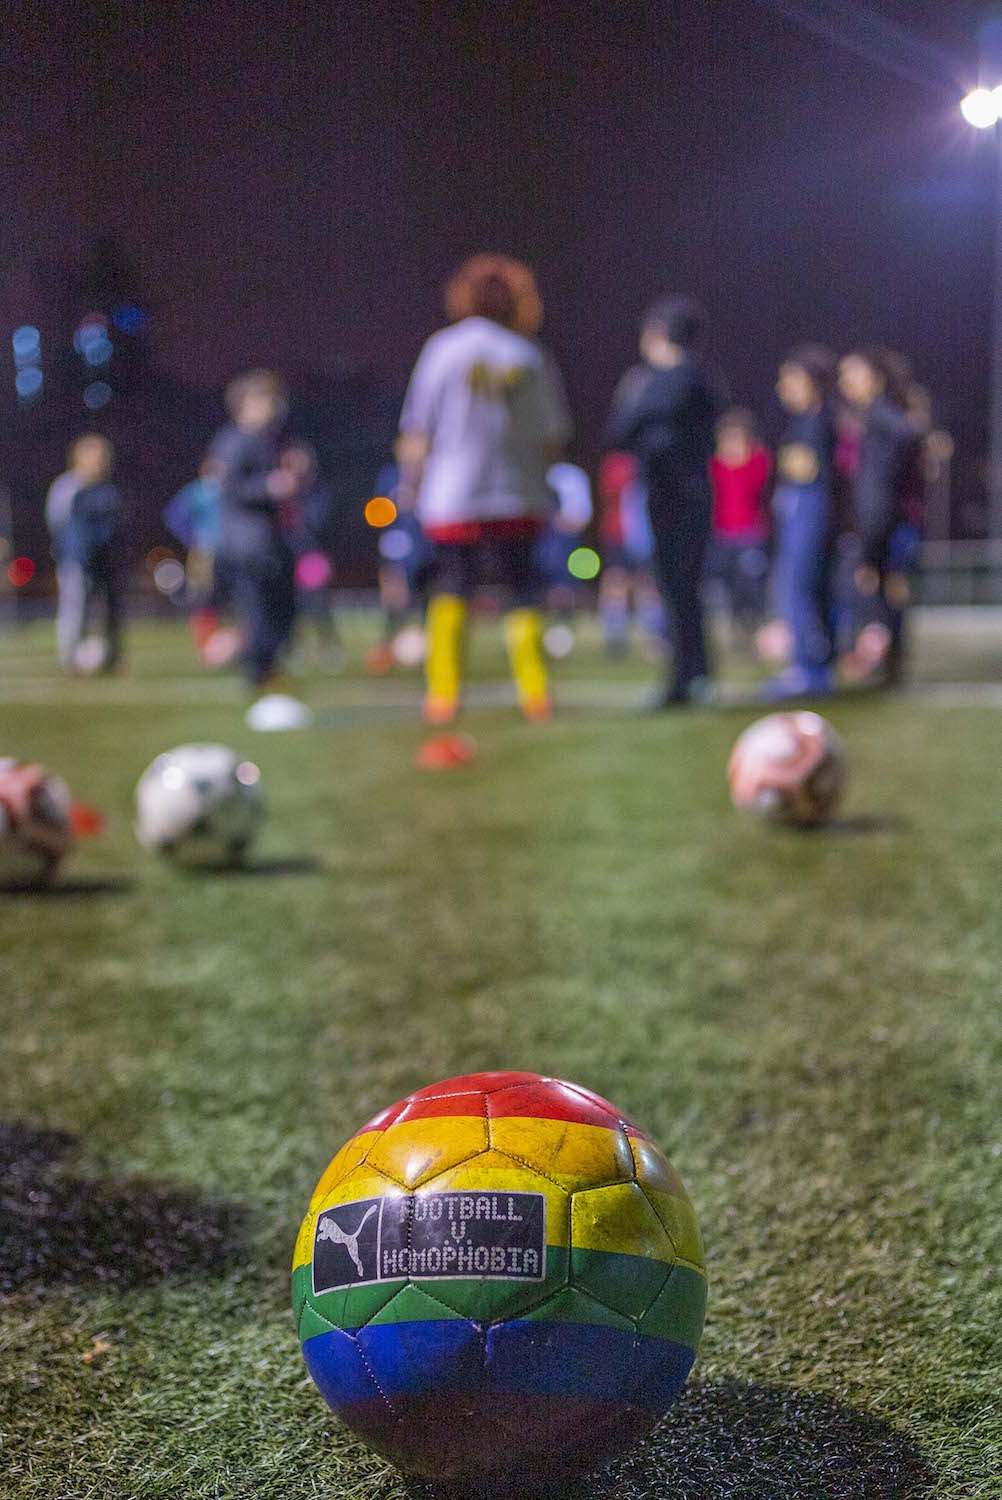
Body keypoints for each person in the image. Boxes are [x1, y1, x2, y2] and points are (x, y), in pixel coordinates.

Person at [397, 253, 571, 723]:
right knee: (523, 591)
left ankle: (443, 696)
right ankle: (535, 695)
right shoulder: (530, 355)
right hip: (519, 494)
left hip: (452, 497)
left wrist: (409, 487)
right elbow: (553, 437)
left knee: (452, 590)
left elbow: (418, 431)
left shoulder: (443, 349)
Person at [606, 297, 725, 707]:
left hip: (675, 494)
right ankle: (691, 674)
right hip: (680, 491)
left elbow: (623, 426)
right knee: (679, 588)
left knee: (678, 587)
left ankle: (686, 678)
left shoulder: (665, 379)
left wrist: (635, 398)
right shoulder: (701, 379)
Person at [838, 349, 923, 684]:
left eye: (852, 373)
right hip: (889, 518)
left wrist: (871, 538)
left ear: (874, 377)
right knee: (888, 587)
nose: (845, 381)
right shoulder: (873, 416)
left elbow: (882, 481)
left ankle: (882, 656)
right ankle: (891, 662)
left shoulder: (879, 417)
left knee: (877, 586)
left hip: (888, 520)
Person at [209, 370, 298, 690]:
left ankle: (267, 666)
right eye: (266, 398)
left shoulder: (265, 440)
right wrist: (270, 487)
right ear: (245, 403)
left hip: (265, 538)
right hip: (247, 541)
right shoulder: (236, 440)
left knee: (278, 604)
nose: (274, 405)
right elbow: (231, 489)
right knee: (258, 605)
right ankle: (256, 671)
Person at [766, 345, 839, 699]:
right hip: (804, 506)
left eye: (789, 378)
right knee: (804, 585)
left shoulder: (821, 419)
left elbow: (807, 469)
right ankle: (816, 668)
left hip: (810, 506)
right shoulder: (807, 420)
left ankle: (809, 670)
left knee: (799, 586)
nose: (783, 387)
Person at [47, 434, 124, 673]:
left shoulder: (107, 489)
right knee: (74, 606)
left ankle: (111, 657)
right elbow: (57, 524)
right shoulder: (66, 488)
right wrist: (73, 550)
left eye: (101, 457)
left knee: (107, 609)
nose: (98, 462)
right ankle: (70, 660)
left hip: (104, 560)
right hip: (75, 559)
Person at [707, 409, 772, 644]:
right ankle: (735, 631)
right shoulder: (714, 464)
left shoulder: (757, 460)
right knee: (725, 586)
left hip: (750, 534)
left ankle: (753, 630)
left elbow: (762, 483)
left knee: (751, 586)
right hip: (722, 534)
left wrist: (745, 456)